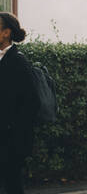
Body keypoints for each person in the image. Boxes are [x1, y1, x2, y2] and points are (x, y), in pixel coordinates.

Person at [0, 12, 40, 194]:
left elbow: (32, 103)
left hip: (11, 142)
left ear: (6, 33)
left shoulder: (18, 62)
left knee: (12, 186)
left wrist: (12, 129)